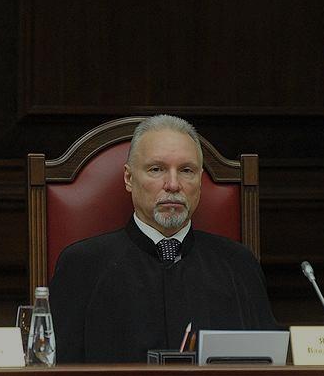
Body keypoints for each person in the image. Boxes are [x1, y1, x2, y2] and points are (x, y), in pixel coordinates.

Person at [49, 115, 277, 363]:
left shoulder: (238, 264)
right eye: (156, 169)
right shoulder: (82, 266)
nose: (173, 184)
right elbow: (57, 374)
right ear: (129, 178)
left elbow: (267, 369)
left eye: (186, 171)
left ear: (200, 181)